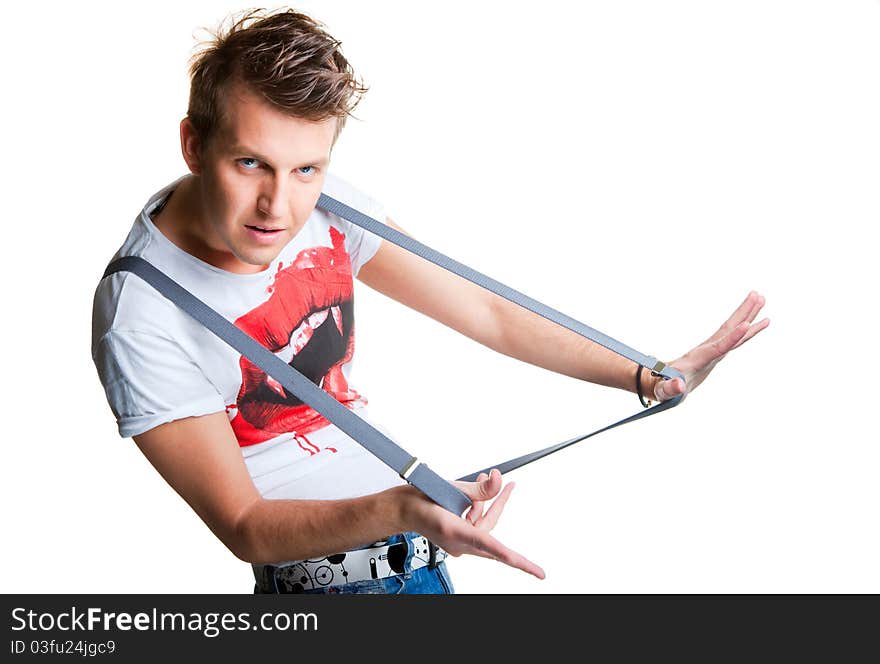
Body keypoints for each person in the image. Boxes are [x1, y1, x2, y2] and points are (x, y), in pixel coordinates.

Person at [91, 8, 769, 595]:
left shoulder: (322, 205)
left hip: (417, 563)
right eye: (250, 164)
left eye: (306, 168)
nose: (279, 204)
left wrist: (645, 376)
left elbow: (488, 311)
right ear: (193, 145)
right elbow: (244, 527)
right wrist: (403, 509)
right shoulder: (140, 313)